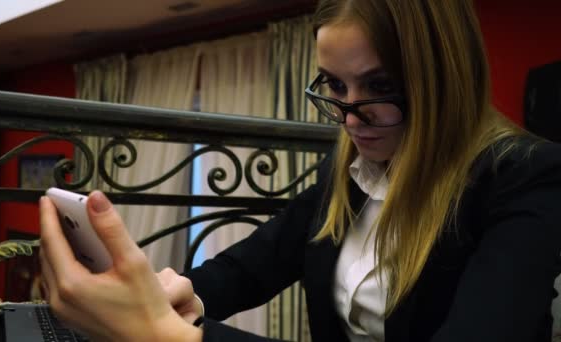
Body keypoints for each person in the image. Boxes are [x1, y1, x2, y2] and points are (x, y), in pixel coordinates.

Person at [39, 0, 561, 341]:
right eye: (335, 87)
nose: (351, 117)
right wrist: (176, 294)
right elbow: (251, 266)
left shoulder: (527, 176)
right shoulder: (350, 166)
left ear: (444, 78)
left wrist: (181, 337)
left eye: (379, 87)